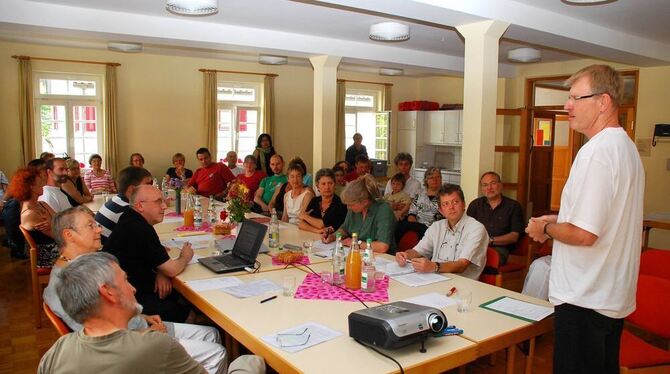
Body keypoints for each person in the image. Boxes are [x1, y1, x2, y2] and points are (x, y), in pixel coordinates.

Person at [525, 65, 644, 374]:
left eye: (576, 98)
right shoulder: (625, 147)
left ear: (603, 101)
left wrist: (547, 228)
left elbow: (584, 234)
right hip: (608, 295)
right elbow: (605, 218)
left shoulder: (598, 152)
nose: (567, 105)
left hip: (585, 298)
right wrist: (558, 218)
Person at [45, 206, 228, 374]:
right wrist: (148, 335)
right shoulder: (63, 285)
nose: (99, 229)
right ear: (69, 235)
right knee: (217, 353)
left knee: (211, 334)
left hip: (140, 326)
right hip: (131, 347)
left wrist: (142, 317)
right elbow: (98, 341)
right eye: (90, 226)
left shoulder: (89, 263)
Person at [38, 252, 205, 373]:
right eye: (125, 280)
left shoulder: (55, 353)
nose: (133, 288)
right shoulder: (156, 346)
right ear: (108, 292)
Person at [103, 185, 195, 323]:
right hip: (129, 300)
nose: (164, 206)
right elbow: (172, 269)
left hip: (127, 289)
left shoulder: (130, 216)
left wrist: (160, 270)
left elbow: (154, 254)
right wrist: (185, 256)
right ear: (140, 206)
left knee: (180, 296)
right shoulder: (140, 228)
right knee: (190, 312)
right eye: (158, 202)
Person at [395, 184, 488, 279]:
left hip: (462, 284)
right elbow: (418, 251)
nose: (451, 207)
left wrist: (434, 266)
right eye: (445, 204)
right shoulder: (436, 227)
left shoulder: (476, 228)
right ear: (440, 210)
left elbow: (462, 265)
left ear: (464, 204)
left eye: (455, 202)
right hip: (434, 278)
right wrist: (406, 255)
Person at [322, 174, 396, 253]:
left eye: (351, 205)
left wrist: (356, 243)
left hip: (382, 258)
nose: (348, 207)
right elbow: (345, 229)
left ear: (364, 201)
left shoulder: (383, 210)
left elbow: (382, 246)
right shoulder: (354, 209)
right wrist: (333, 236)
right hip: (358, 253)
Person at [467, 171, 525, 265]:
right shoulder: (475, 205)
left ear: (500, 185)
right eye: (485, 185)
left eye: (493, 183)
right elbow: (466, 230)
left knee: (481, 258)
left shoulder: (513, 206)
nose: (489, 188)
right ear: (482, 188)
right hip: (476, 246)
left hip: (500, 249)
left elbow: (514, 237)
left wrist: (489, 240)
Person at [7, 167, 59, 267]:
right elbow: (58, 236)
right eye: (40, 182)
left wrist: (55, 224)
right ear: (31, 186)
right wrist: (57, 224)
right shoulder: (30, 214)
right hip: (50, 257)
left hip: (58, 247)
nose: (43, 184)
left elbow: (60, 221)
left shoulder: (42, 204)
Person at [95, 166, 153, 243]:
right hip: (107, 252)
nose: (152, 188)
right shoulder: (128, 211)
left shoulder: (116, 199)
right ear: (132, 189)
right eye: (148, 184)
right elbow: (145, 241)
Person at [394, 166, 443, 242]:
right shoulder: (420, 193)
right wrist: (413, 220)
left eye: (438, 177)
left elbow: (443, 217)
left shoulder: (445, 195)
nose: (435, 180)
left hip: (433, 227)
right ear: (426, 180)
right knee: (398, 226)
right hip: (417, 223)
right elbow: (412, 212)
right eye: (432, 178)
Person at [299, 168, 347, 234]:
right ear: (318, 186)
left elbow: (321, 224)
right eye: (323, 184)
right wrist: (318, 231)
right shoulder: (314, 201)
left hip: (334, 240)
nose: (327, 187)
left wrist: (305, 216)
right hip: (314, 237)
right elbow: (301, 224)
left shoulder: (340, 203)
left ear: (335, 185)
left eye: (330, 183)